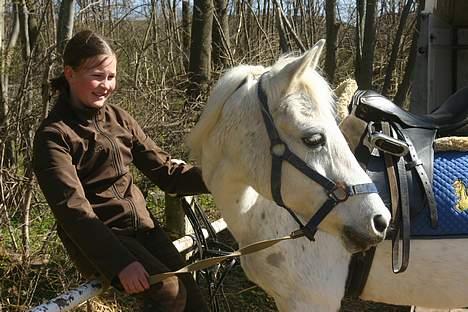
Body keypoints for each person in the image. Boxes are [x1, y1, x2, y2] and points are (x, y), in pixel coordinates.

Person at [33, 30, 209, 312]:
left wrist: (224, 177)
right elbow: (73, 210)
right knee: (169, 294)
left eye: (111, 76)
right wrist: (120, 263)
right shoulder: (54, 136)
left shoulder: (119, 119)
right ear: (70, 73)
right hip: (101, 237)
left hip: (143, 228)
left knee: (193, 298)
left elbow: (166, 172)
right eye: (97, 76)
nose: (106, 85)